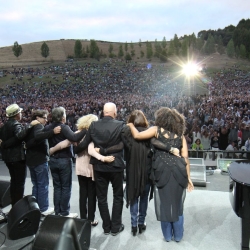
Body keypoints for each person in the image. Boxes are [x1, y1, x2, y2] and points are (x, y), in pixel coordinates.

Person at [127, 107, 194, 242]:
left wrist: (130, 125)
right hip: (179, 171)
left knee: (164, 204)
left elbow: (138, 136)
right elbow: (185, 158)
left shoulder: (157, 130)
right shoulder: (180, 137)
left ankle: (168, 236)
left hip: (162, 171)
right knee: (177, 204)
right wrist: (189, 178)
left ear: (161, 119)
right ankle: (179, 235)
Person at [49, 114, 117, 226]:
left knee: (83, 194)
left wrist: (51, 150)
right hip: (90, 167)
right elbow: (91, 151)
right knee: (91, 195)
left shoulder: (77, 133)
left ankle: (82, 219)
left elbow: (64, 144)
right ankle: (90, 220)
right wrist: (103, 158)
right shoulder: (93, 134)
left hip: (80, 167)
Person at [74, 102, 126, 236]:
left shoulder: (93, 125)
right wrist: (108, 151)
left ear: (103, 112)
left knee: (101, 198)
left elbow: (84, 144)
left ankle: (106, 227)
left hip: (99, 167)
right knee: (118, 197)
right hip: (115, 166)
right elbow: (122, 145)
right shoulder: (121, 125)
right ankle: (115, 227)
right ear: (114, 112)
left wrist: (75, 149)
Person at [44, 107, 86, 218]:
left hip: (52, 160)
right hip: (64, 160)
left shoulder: (48, 127)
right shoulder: (64, 127)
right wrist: (86, 129)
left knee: (57, 187)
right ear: (63, 117)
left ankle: (57, 211)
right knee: (66, 187)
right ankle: (64, 212)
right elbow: (74, 137)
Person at [121, 110, 152, 236]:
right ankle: (141, 223)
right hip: (147, 171)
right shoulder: (150, 133)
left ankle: (133, 225)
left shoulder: (126, 132)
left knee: (133, 197)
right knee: (144, 198)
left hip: (132, 171)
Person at [0, 104, 39, 206]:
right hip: (17, 158)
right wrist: (30, 125)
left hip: (8, 159)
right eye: (20, 112)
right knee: (20, 183)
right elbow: (19, 136)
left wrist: (4, 144)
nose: (21, 114)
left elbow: (4, 142)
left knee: (14, 182)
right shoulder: (16, 125)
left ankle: (14, 204)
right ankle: (18, 207)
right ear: (16, 114)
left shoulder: (4, 126)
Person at [25, 110, 61, 216]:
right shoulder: (38, 126)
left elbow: (31, 141)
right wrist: (52, 132)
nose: (46, 120)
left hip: (31, 160)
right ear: (37, 118)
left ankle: (34, 207)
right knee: (43, 185)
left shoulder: (29, 127)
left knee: (36, 185)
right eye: (44, 117)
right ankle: (43, 208)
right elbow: (38, 136)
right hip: (40, 160)